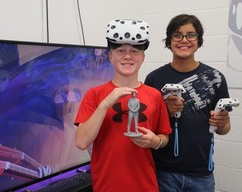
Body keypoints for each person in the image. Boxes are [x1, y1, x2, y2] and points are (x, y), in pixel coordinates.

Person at [74, 19, 172, 192]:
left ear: (142, 57)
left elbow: (164, 137)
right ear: (111, 57)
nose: (128, 56)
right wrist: (105, 104)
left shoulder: (154, 95)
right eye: (120, 51)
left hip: (145, 185)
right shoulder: (94, 94)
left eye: (134, 51)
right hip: (106, 185)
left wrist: (155, 142)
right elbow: (81, 142)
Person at [144, 14, 232, 192]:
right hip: (163, 173)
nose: (184, 40)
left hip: (202, 174)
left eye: (191, 35)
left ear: (199, 40)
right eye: (177, 35)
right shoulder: (154, 78)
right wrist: (165, 111)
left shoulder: (215, 78)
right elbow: (147, 126)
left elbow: (224, 128)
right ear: (169, 41)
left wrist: (222, 123)